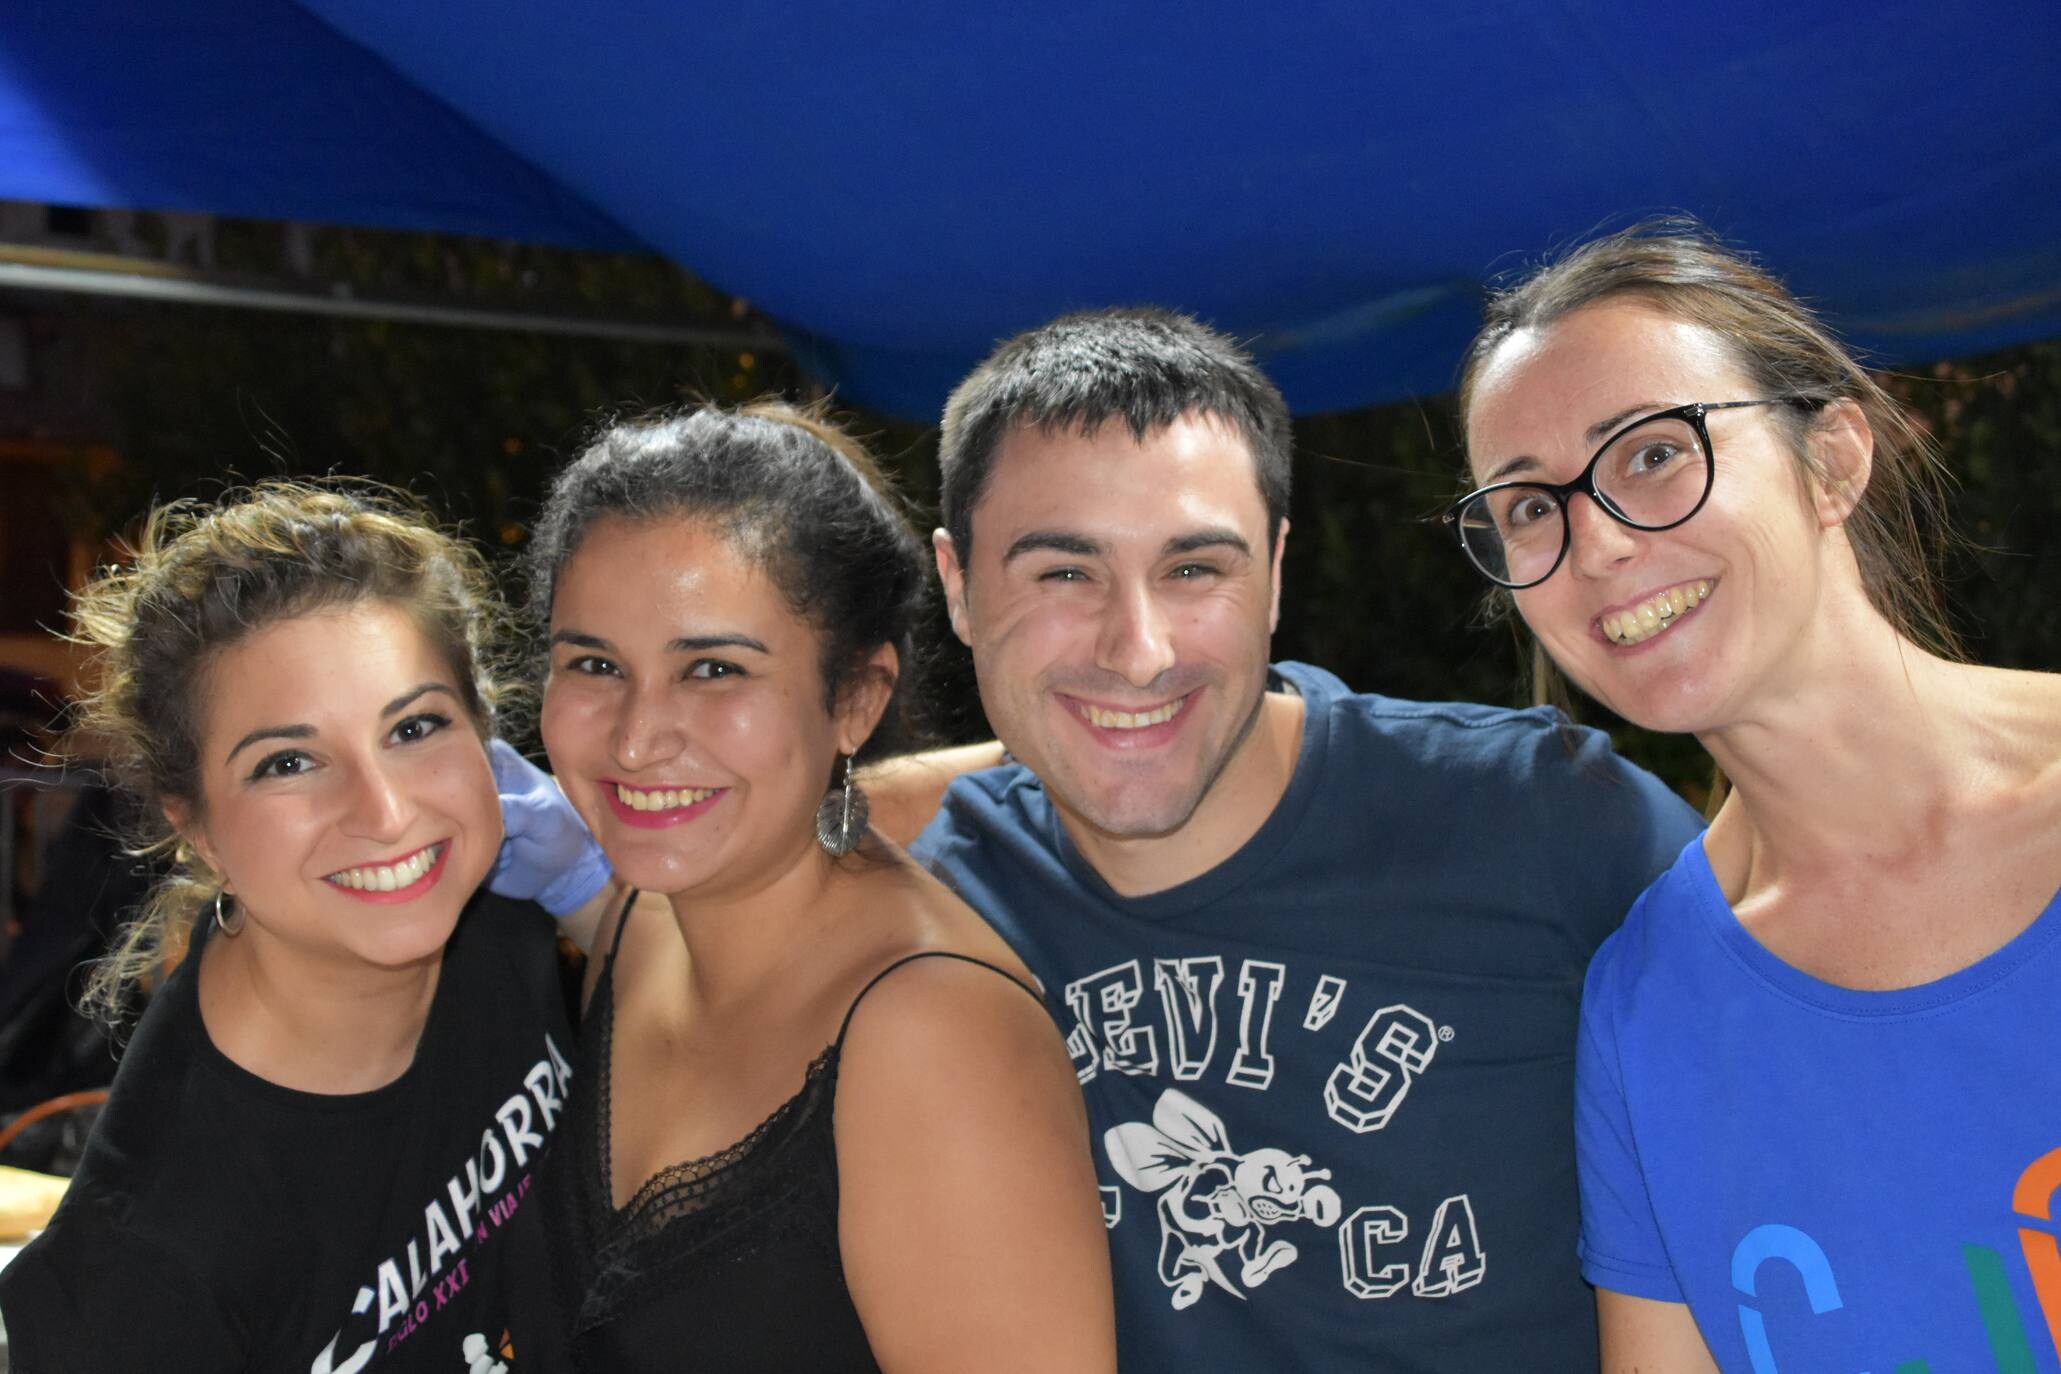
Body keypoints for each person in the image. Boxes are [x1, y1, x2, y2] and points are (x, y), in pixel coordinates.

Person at [907, 308, 1704, 1368]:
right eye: (1063, 573)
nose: (1138, 651)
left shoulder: (1540, 823)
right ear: (958, 585)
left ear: (1276, 573)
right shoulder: (940, 909)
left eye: (1195, 569)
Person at [1450, 222, 2061, 1370]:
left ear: (1832, 460)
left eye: (1649, 453)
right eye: (1530, 507)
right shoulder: (1644, 1007)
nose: (1597, 544)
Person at [527, 402, 1115, 1372]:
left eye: (713, 669)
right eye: (594, 664)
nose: (635, 739)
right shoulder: (640, 917)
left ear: (856, 698)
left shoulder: (932, 1035)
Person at [0, 482, 583, 1371]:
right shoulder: (151, 1266)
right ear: (191, 821)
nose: (386, 813)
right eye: (289, 762)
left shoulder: (508, 928)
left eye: (416, 726)